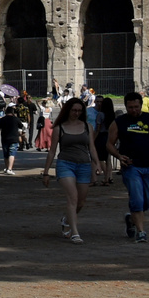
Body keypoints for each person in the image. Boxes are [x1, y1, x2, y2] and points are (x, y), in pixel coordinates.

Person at [106, 93, 149, 243]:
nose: (134, 110)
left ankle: (131, 218)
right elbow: (109, 144)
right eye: (130, 108)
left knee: (147, 200)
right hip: (130, 166)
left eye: (136, 107)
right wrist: (118, 156)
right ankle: (141, 232)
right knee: (136, 198)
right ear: (125, 106)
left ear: (141, 105)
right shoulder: (119, 122)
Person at [41, 98, 97, 243]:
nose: (76, 113)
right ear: (68, 110)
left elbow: (91, 147)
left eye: (79, 110)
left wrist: (97, 164)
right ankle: (75, 232)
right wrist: (46, 172)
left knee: (81, 201)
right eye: (74, 110)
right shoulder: (59, 128)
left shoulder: (87, 126)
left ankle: (67, 220)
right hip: (65, 164)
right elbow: (52, 151)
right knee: (72, 197)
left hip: (84, 165)